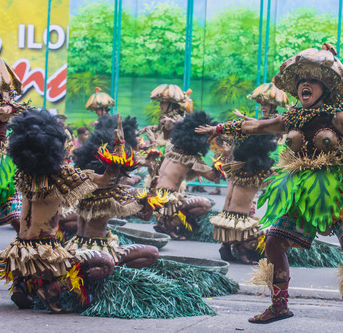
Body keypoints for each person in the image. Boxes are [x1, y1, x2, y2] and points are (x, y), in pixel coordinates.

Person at [196, 43, 343, 328]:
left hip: (336, 189)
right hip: (300, 190)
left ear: (324, 87)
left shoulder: (338, 117)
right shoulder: (291, 118)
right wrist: (219, 128)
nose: (304, 85)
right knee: (273, 242)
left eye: (311, 81)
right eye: (300, 82)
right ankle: (279, 305)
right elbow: (257, 127)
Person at [0, 110, 121, 313]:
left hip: (18, 255)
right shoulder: (60, 176)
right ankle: (52, 289)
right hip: (45, 256)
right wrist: (117, 156)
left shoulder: (24, 174)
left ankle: (22, 285)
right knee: (106, 262)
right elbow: (106, 180)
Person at [69, 114, 165, 271]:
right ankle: (111, 273)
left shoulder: (84, 183)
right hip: (97, 252)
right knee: (152, 253)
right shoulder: (114, 193)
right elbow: (146, 216)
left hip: (75, 245)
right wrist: (151, 194)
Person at [154, 111, 221, 240]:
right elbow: (213, 177)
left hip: (155, 196)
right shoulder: (191, 158)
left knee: (188, 197)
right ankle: (170, 223)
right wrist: (222, 157)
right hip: (167, 201)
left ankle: (164, 220)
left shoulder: (170, 148)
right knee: (205, 204)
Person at [210, 134, 277, 264]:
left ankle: (225, 245)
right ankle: (241, 249)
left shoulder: (233, 169)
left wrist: (228, 153)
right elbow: (276, 180)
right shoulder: (260, 173)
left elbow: (226, 164)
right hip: (240, 220)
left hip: (224, 217)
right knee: (265, 232)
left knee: (245, 216)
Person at [0, 44, 25, 232]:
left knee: (15, 214)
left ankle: (26, 246)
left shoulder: (3, 98)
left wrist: (5, 110)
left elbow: (15, 108)